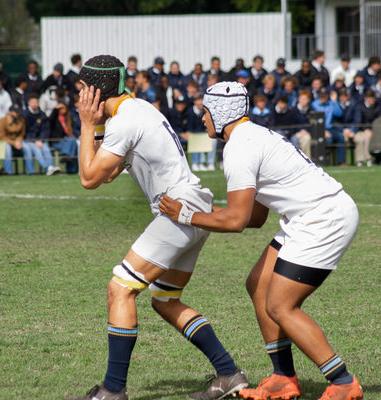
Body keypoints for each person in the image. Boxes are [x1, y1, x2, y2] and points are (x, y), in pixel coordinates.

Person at [159, 81, 364, 400]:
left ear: (220, 112)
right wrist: (206, 211)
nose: (202, 119)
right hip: (309, 215)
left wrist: (185, 215)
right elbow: (254, 218)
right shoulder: (251, 135)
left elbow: (237, 221)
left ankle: (342, 382)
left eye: (206, 111)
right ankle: (283, 377)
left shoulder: (239, 147)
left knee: (281, 306)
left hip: (323, 218)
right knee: (258, 283)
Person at [64, 55, 248, 400]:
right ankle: (229, 374)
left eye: (82, 91)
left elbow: (89, 179)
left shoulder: (126, 120)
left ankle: (112, 391)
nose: (79, 100)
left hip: (177, 211)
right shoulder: (137, 109)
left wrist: (87, 125)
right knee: (165, 300)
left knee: (120, 289)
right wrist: (98, 124)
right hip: (192, 206)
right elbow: (108, 172)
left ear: (96, 91)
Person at [21, 93, 61, 176]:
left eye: (36, 102)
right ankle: (46, 168)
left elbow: (45, 129)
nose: (35, 104)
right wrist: (34, 140)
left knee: (46, 148)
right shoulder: (24, 114)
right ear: (29, 103)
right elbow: (24, 130)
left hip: (40, 140)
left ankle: (50, 167)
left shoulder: (42, 114)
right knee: (37, 150)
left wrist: (40, 139)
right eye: (33, 102)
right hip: (28, 140)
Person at [311, 87, 346, 165]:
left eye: (324, 96)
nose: (323, 98)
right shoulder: (314, 104)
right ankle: (325, 161)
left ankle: (341, 162)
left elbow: (339, 113)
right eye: (321, 96)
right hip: (318, 129)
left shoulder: (331, 103)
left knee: (340, 137)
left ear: (327, 96)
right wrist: (323, 130)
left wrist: (334, 101)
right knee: (328, 140)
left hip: (330, 129)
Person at [48, 101, 78, 174]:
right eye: (59, 109)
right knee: (72, 144)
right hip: (57, 141)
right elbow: (50, 121)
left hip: (67, 140)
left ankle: (66, 156)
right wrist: (55, 110)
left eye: (62, 108)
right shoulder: (55, 118)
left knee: (72, 141)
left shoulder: (68, 118)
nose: (61, 110)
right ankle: (71, 169)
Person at [0, 104, 28, 175]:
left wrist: (18, 141)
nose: (17, 114)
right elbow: (2, 137)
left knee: (27, 148)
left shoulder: (21, 120)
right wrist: (14, 143)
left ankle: (31, 171)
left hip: (18, 141)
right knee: (7, 149)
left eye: (18, 112)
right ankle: (8, 172)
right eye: (15, 112)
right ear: (10, 112)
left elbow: (22, 134)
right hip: (5, 142)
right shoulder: (3, 121)